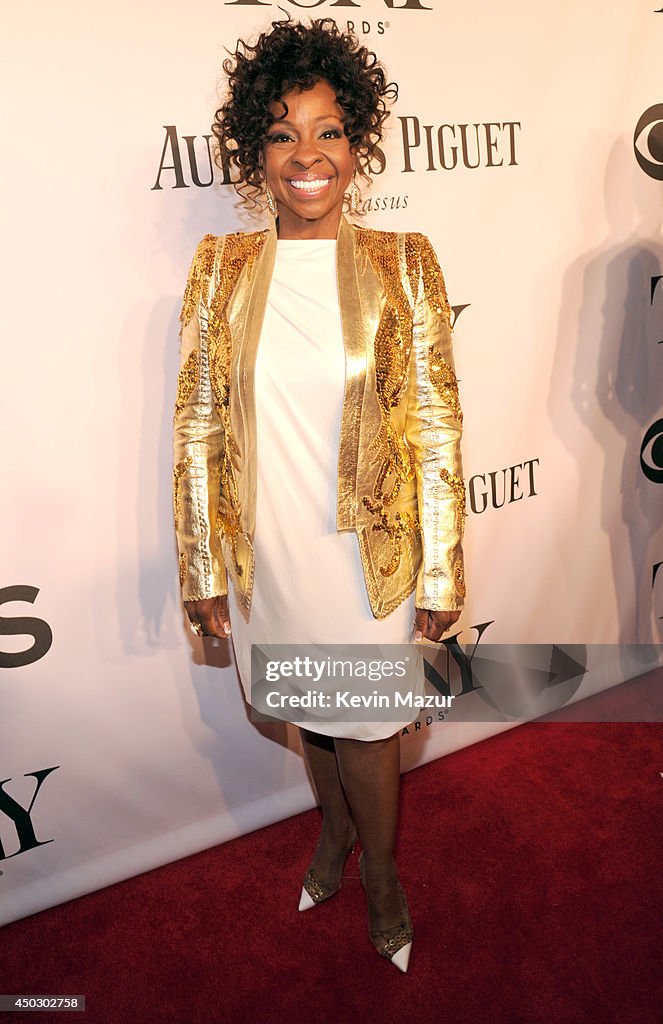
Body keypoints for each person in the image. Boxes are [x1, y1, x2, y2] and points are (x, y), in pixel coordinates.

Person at [173, 17, 466, 973]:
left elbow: (432, 424)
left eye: (329, 130)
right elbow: (198, 429)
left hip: (365, 555)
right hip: (269, 549)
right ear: (255, 155)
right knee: (312, 714)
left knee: (370, 727)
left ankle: (381, 875)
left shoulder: (404, 260)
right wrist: (199, 566)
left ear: (358, 144)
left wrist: (442, 565)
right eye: (282, 133)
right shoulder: (218, 271)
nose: (308, 154)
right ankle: (333, 838)